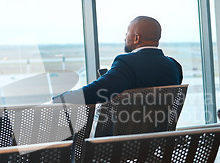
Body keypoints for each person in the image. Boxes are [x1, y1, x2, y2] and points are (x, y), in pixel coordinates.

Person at [53, 16, 183, 105]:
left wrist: (61, 99)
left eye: (127, 33)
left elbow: (97, 92)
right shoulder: (174, 66)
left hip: (124, 138)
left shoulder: (127, 63)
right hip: (159, 137)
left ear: (136, 38)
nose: (125, 37)